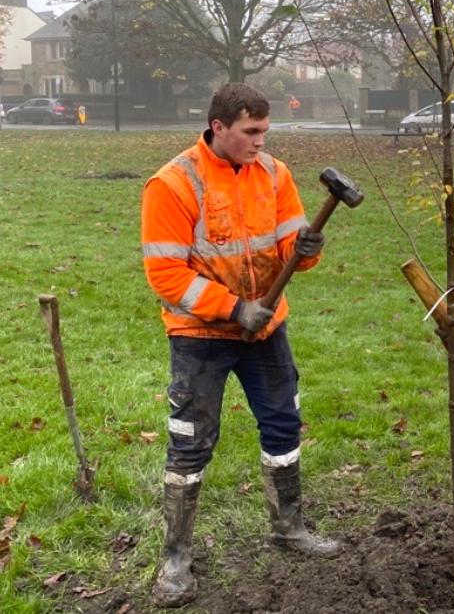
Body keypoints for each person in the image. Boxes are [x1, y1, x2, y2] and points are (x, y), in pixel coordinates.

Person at [140, 83, 338, 608]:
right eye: (250, 132)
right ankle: (176, 558)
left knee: (282, 424)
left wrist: (307, 250)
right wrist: (232, 308)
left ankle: (288, 527)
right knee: (190, 441)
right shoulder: (174, 183)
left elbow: (293, 247)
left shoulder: (274, 175)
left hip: (266, 330)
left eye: (264, 132)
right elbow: (164, 273)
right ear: (218, 126)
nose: (259, 142)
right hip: (201, 335)